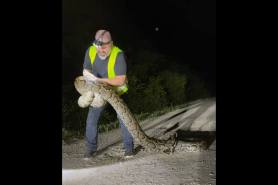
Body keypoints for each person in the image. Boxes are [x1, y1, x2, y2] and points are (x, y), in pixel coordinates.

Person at [82, 29, 134, 159]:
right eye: (98, 47)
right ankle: (90, 149)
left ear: (111, 43)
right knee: (91, 119)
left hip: (117, 91)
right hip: (99, 91)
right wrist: (88, 78)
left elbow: (120, 80)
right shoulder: (91, 50)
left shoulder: (119, 54)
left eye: (104, 47)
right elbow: (86, 69)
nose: (101, 51)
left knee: (124, 118)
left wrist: (99, 80)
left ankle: (129, 148)